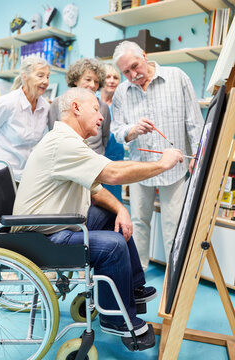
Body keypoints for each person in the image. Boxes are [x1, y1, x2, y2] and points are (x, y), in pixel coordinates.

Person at [12, 87, 183, 348]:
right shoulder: (63, 143)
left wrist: (121, 209)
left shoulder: (68, 141)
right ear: (76, 108)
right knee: (112, 246)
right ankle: (116, 320)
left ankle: (132, 288)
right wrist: (162, 165)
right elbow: (112, 173)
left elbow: (96, 188)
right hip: (39, 237)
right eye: (95, 109)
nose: (102, 116)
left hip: (54, 225)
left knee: (107, 215)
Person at [111, 41, 204, 268]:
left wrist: (199, 158)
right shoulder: (122, 91)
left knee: (174, 225)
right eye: (126, 72)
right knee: (138, 223)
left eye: (135, 66)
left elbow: (194, 122)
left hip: (174, 169)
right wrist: (132, 130)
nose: (133, 75)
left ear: (144, 55)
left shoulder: (177, 77)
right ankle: (138, 273)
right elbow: (116, 130)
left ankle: (174, 275)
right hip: (139, 168)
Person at [0, 55, 50, 183]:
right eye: (40, 76)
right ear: (24, 77)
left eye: (47, 77)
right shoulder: (7, 103)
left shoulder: (45, 107)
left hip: (27, 175)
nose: (46, 81)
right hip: (2, 173)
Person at [48, 58, 110, 155]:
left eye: (97, 81)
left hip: (95, 160)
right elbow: (53, 133)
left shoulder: (103, 107)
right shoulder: (57, 103)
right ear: (76, 80)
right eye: (88, 79)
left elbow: (105, 138)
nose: (92, 85)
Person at [100, 63, 124, 201]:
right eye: (108, 77)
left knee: (113, 200)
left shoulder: (121, 104)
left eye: (115, 77)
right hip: (95, 155)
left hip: (115, 157)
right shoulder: (93, 100)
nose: (111, 80)